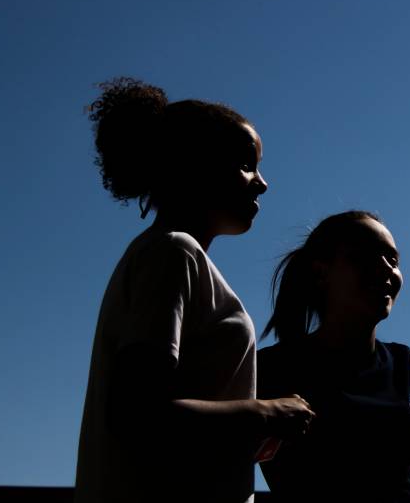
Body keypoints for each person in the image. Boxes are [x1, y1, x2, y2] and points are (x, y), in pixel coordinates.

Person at [75, 78, 315, 503]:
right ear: (195, 166)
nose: (262, 183)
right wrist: (267, 411)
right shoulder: (174, 252)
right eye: (246, 165)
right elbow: (137, 415)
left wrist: (250, 430)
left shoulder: (171, 256)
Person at [257, 210, 410, 503]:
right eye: (365, 257)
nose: (386, 268)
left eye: (393, 259)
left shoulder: (404, 364)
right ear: (321, 273)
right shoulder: (273, 368)